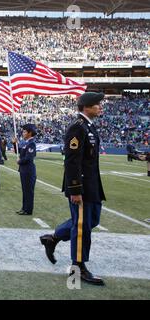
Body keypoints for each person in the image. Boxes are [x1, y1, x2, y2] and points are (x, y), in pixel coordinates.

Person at [40, 92, 106, 286]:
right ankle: (78, 268)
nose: (100, 107)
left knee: (91, 220)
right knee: (81, 226)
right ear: (86, 107)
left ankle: (53, 238)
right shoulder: (77, 128)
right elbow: (72, 161)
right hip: (82, 186)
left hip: (92, 184)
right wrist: (75, 189)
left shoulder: (89, 126)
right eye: (97, 105)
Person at [14, 124, 37, 215]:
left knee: (28, 191)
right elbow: (18, 151)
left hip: (28, 171)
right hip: (24, 170)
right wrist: (14, 143)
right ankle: (24, 208)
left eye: (24, 132)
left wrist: (19, 161)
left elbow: (29, 158)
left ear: (30, 133)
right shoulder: (26, 143)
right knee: (25, 190)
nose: (23, 133)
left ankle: (28, 210)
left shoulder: (31, 143)